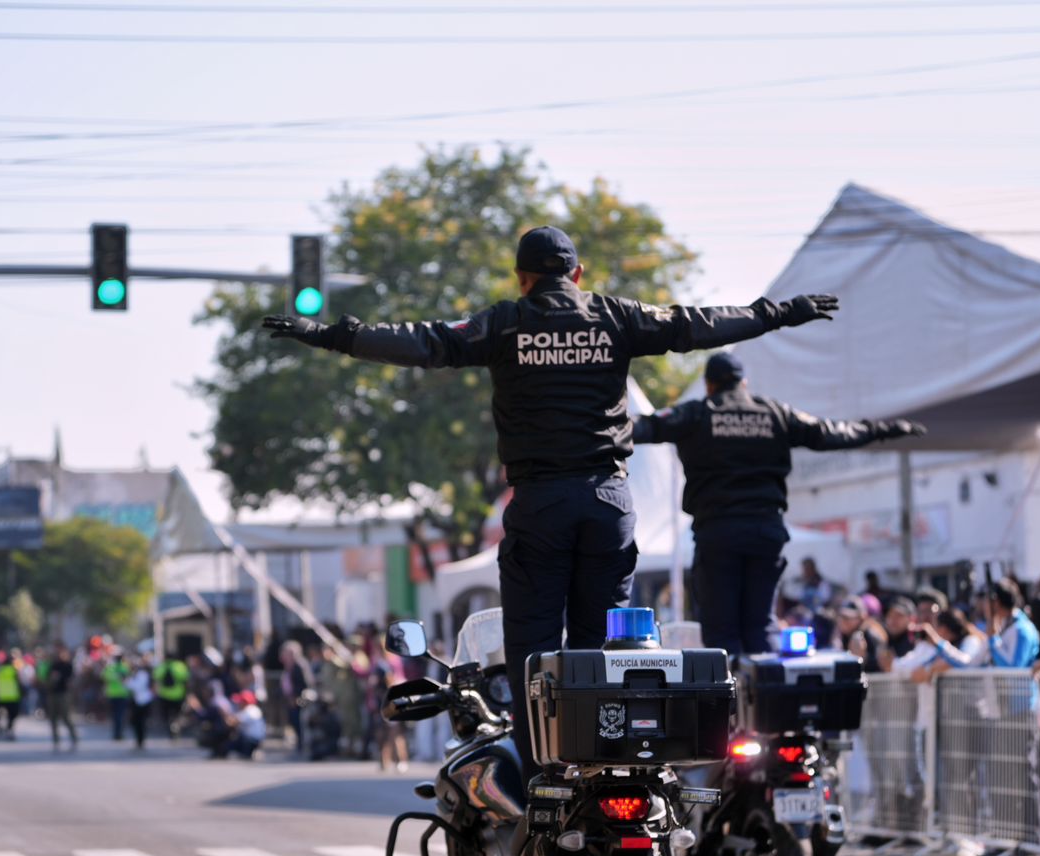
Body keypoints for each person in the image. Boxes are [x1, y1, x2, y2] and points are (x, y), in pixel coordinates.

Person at [263, 225, 840, 774]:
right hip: (609, 502)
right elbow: (699, 323)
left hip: (540, 503)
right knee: (604, 646)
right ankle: (604, 764)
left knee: (536, 650)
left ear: (522, 279)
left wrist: (334, 334)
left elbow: (424, 342)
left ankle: (543, 776)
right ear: (578, 274)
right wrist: (779, 313)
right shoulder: (618, 317)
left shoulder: (504, 324)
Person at [632, 352, 922, 655]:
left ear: (708, 385)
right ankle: (765, 697)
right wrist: (881, 430)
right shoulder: (774, 413)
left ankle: (726, 699)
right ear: (744, 383)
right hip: (764, 531)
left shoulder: (695, 413)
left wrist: (593, 428)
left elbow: (644, 427)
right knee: (760, 626)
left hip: (718, 533)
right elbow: (829, 433)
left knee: (721, 631)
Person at [47, 646, 79, 753]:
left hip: (63, 694)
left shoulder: (68, 666)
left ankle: (74, 739)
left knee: (66, 718)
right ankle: (56, 741)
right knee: (53, 719)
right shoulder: (53, 665)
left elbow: (71, 680)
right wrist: (52, 679)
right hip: (53, 694)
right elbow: (48, 680)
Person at [153, 653, 190, 739]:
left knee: (167, 714)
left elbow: (156, 679)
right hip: (178, 694)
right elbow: (186, 679)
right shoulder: (180, 666)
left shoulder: (162, 666)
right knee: (177, 714)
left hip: (164, 695)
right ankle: (175, 726)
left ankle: (171, 726)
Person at [0, 650, 24, 740]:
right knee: (12, 716)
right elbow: (19, 683)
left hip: (0, 696)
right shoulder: (13, 671)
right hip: (13, 696)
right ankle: (9, 730)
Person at [126, 657, 156, 750]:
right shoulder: (136, 676)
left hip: (143, 701)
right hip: (137, 701)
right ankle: (139, 739)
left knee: (140, 722)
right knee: (136, 722)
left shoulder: (142, 675)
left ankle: (141, 740)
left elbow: (135, 687)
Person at [101, 651, 131, 742]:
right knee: (121, 715)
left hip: (112, 694)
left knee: (115, 715)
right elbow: (129, 678)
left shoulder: (110, 668)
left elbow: (103, 677)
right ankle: (119, 733)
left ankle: (116, 733)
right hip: (123, 694)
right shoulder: (125, 668)